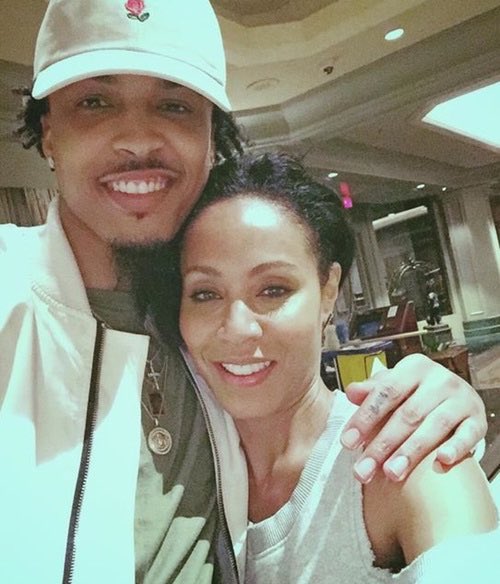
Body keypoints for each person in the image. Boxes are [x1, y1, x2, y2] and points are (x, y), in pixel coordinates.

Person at [0, 0, 488, 582]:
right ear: (48, 132)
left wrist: (442, 404)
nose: (137, 137)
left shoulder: (185, 323)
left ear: (211, 139)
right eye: (94, 102)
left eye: (174, 105)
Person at [137, 151, 499, 582]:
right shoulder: (181, 468)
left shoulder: (398, 459)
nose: (237, 328)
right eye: (205, 294)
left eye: (273, 289)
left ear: (328, 290)